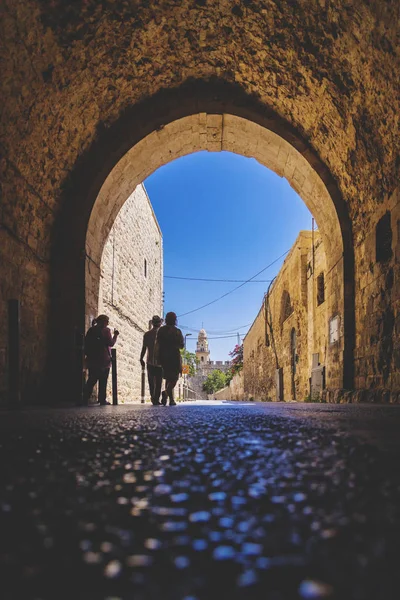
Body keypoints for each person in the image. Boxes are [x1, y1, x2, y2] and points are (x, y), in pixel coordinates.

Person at [83, 314, 119, 406]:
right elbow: (111, 343)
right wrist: (115, 335)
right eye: (107, 321)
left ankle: (85, 398)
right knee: (103, 381)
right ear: (103, 322)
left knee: (91, 380)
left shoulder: (91, 330)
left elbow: (86, 343)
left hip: (93, 359)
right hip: (104, 359)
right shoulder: (106, 331)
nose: (108, 323)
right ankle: (102, 399)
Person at [156, 312, 184, 406]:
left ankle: (171, 400)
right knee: (174, 378)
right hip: (174, 357)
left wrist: (158, 356)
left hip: (163, 356)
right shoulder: (177, 331)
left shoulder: (161, 330)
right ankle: (166, 393)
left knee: (168, 378)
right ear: (175, 320)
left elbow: (158, 343)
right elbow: (181, 345)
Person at [140, 315, 163, 405]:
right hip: (160, 362)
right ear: (160, 323)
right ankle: (156, 398)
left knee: (151, 381)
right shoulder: (162, 334)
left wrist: (141, 358)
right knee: (158, 382)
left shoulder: (147, 334)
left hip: (149, 361)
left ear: (152, 323)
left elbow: (144, 348)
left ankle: (153, 398)